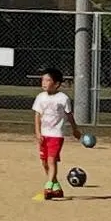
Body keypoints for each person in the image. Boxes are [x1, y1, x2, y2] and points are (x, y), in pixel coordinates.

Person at [32, 67, 83, 200]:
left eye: (48, 80)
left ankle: (48, 186)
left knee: (51, 161)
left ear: (56, 84)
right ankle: (56, 187)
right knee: (44, 162)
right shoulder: (40, 97)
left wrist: (75, 129)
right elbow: (37, 115)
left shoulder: (63, 98)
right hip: (44, 134)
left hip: (56, 135)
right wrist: (37, 132)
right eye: (43, 80)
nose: (44, 82)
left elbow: (69, 115)